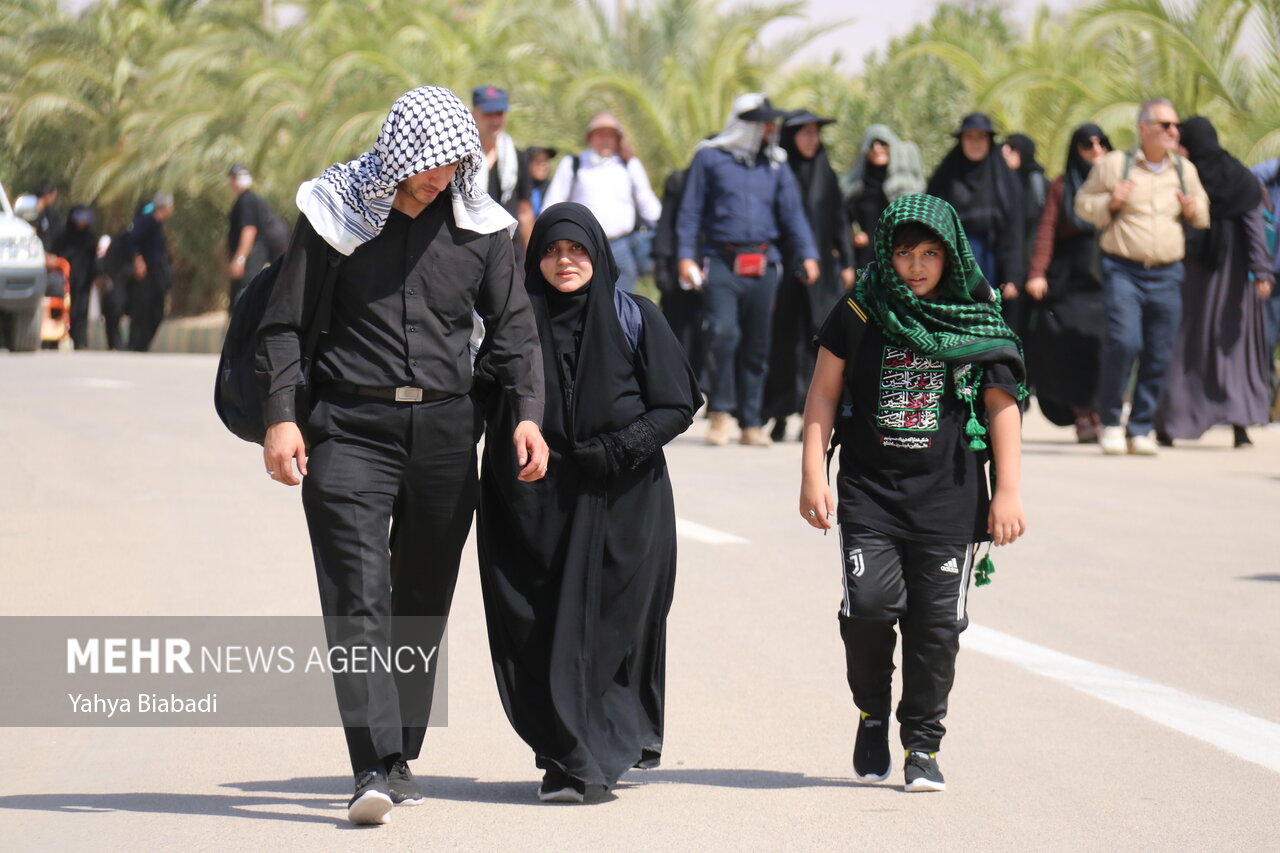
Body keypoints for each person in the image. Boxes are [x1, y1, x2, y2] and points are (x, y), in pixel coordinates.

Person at [256, 85, 549, 826]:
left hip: (448, 433)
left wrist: (529, 415)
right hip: (348, 426)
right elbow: (283, 324)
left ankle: (398, 752)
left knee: (420, 599)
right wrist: (281, 419)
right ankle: (370, 764)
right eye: (429, 162)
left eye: (455, 162)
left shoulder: (482, 228)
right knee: (357, 594)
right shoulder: (336, 214)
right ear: (398, 153)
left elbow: (513, 328)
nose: (440, 175)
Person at [799, 193, 1026, 794]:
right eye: (905, 254)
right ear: (887, 253)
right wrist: (813, 473)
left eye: (930, 253)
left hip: (949, 499)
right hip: (870, 493)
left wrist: (1008, 491)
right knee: (869, 606)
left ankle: (922, 745)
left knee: (936, 630)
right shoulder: (860, 307)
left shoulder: (976, 311)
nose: (918, 266)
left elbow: (1002, 406)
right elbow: (824, 392)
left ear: (949, 254)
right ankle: (873, 711)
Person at [476, 202, 700, 803]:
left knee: (610, 630)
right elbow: (476, 402)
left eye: (576, 250)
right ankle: (566, 754)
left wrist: (620, 447)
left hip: (625, 503)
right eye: (551, 250)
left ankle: (587, 758)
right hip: (537, 511)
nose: (564, 261)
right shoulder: (512, 327)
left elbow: (678, 403)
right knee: (543, 630)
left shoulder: (637, 318)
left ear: (599, 256)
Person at [676, 93, 820, 447]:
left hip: (764, 264)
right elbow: (690, 211)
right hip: (722, 262)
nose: (771, 129)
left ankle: (751, 421)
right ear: (745, 123)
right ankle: (721, 413)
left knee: (758, 343)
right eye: (764, 122)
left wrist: (808, 253)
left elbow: (792, 215)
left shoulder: (776, 165)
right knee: (724, 335)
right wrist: (685, 256)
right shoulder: (709, 158)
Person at [1075, 98, 1210, 455]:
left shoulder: (1183, 169)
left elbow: (1203, 214)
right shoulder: (1116, 166)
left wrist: (1194, 209)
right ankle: (1110, 422)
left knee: (1159, 351)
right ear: (1143, 128)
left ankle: (1141, 428)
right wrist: (1111, 203)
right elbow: (1082, 203)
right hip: (1123, 270)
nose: (1172, 131)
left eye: (1174, 126)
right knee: (1124, 342)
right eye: (1165, 125)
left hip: (1168, 273)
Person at [1154, 117, 1274, 447]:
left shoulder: (1194, 178)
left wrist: (1262, 271)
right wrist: (1261, 271)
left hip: (1201, 277)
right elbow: (1253, 229)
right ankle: (1230, 425)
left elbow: (1252, 228)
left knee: (1191, 347)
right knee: (1226, 348)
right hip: (1221, 280)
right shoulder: (1239, 179)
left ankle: (1175, 423)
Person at [765, 108, 855, 442]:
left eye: (816, 133)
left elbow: (839, 220)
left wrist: (846, 261)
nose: (811, 139)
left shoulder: (825, 173)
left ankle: (810, 415)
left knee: (818, 341)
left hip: (822, 275)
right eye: (804, 133)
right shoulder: (778, 172)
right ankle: (778, 413)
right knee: (783, 343)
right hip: (784, 271)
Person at [1023, 124, 1112, 442]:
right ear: (1076, 150)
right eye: (1088, 145)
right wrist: (1037, 273)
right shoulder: (1062, 186)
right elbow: (1046, 229)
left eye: (1102, 143)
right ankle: (1081, 413)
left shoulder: (1118, 183)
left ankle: (1100, 411)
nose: (1097, 150)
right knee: (1070, 348)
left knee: (1103, 347)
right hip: (1070, 281)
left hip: (1108, 278)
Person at [541, 113, 663, 294]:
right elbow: (553, 203)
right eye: (600, 134)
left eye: (610, 135)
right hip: (582, 248)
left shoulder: (629, 165)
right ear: (590, 137)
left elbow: (646, 200)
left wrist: (663, 227)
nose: (605, 140)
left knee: (623, 301)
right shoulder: (573, 165)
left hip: (621, 246)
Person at [926, 114, 1025, 305]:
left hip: (994, 259)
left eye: (980, 137)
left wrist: (1014, 275)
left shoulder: (1004, 179)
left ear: (989, 140)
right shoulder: (946, 176)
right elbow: (931, 219)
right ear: (961, 140)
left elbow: (1015, 229)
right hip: (954, 262)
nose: (975, 143)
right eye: (969, 137)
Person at [841, 124, 926, 270]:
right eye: (872, 144)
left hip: (900, 260)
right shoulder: (855, 186)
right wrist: (853, 236)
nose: (877, 148)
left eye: (883, 143)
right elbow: (843, 219)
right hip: (865, 261)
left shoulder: (907, 188)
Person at [472, 85, 534, 253]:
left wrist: (531, 257)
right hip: (470, 246)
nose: (494, 121)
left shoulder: (515, 156)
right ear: (474, 113)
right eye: (488, 114)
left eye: (499, 114)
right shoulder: (463, 158)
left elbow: (524, 209)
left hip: (509, 249)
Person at [226, 164, 288, 306]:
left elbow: (249, 230)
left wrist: (239, 259)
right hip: (262, 249)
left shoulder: (246, 200)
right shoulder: (250, 199)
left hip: (257, 249)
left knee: (245, 288)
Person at [126, 192, 175, 352]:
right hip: (146, 273)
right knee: (142, 309)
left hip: (156, 273)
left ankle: (143, 342)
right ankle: (136, 344)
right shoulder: (148, 221)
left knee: (157, 310)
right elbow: (133, 241)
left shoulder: (158, 224)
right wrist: (138, 262)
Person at [1249, 156, 1280, 376]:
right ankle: (1259, 405)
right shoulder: (1273, 179)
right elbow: (1249, 179)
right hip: (1272, 276)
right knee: (1263, 344)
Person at [52, 205, 98, 349]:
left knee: (81, 310)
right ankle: (52, 340)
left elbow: (93, 260)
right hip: (63, 280)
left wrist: (96, 275)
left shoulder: (90, 238)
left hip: (83, 281)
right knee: (59, 309)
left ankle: (80, 341)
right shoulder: (62, 235)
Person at [32, 179, 63, 253]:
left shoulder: (50, 213)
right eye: (53, 195)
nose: (54, 199)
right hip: (39, 256)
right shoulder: (32, 214)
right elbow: (32, 235)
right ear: (47, 195)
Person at [526, 146, 557, 215]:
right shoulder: (517, 188)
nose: (543, 166)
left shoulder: (553, 188)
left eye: (545, 161)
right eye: (538, 161)